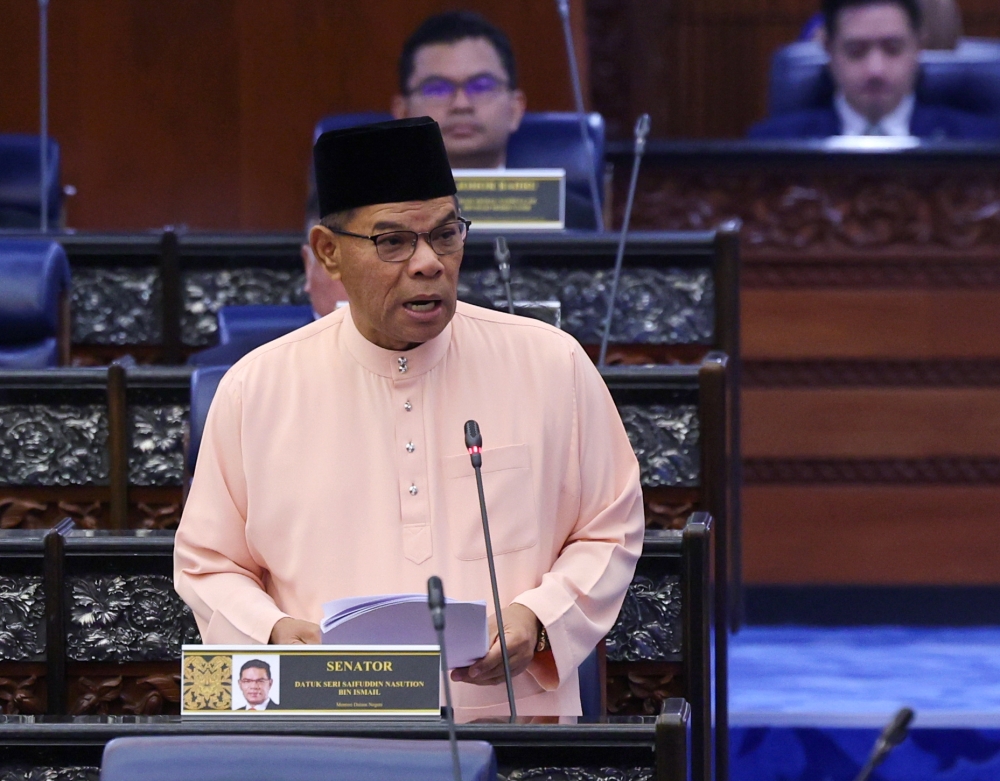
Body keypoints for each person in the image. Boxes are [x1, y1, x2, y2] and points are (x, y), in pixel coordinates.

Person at [174, 117, 644, 717]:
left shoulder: (551, 363)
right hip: (324, 727)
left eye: (445, 235)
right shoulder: (257, 388)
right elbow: (206, 563)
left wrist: (540, 618)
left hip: (510, 727)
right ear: (329, 253)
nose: (428, 263)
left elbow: (611, 525)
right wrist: (271, 631)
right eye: (393, 241)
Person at [391, 10, 598, 228]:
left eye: (482, 86)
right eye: (437, 89)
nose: (461, 105)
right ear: (402, 113)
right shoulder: (368, 217)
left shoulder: (570, 219)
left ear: (515, 110)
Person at [750, 0, 998, 140]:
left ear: (919, 47)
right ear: (828, 49)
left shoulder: (980, 142)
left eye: (892, 48)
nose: (875, 71)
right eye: (856, 51)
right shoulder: (771, 144)